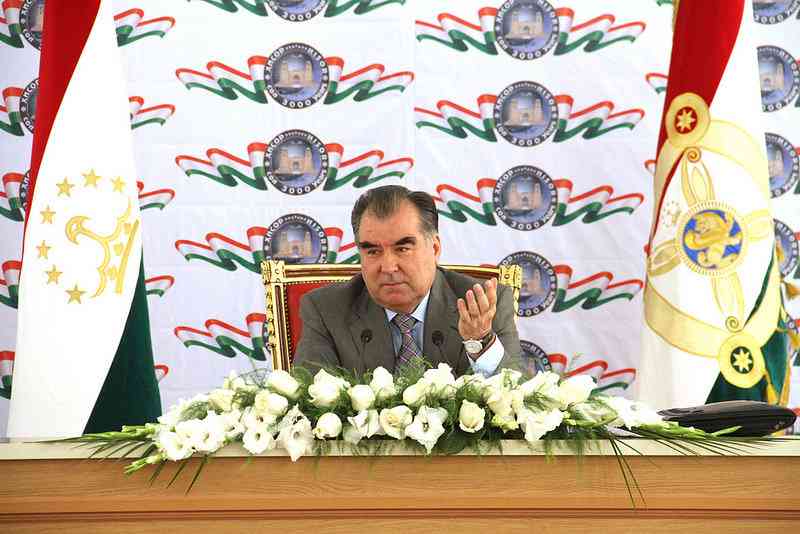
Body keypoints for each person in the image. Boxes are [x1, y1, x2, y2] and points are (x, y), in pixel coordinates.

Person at [293, 185, 522, 376]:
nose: (388, 267)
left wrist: (480, 342)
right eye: (373, 251)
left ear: (434, 248)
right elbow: (309, 401)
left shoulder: (483, 306)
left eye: (402, 249)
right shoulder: (327, 310)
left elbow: (517, 402)